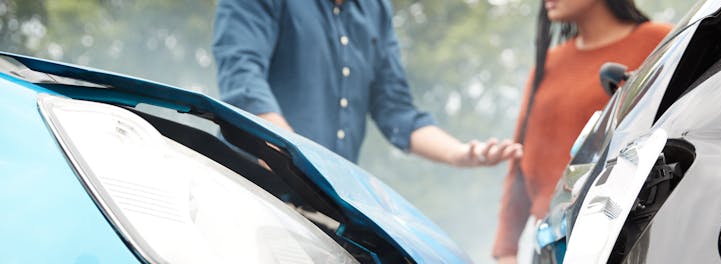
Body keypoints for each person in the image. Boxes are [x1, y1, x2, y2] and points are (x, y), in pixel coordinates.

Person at [492, 0, 672, 264]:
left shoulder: (658, 41)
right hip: (553, 250)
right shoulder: (546, 65)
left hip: (626, 244)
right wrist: (507, 247)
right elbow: (521, 160)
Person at [212, 0, 521, 167]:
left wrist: (459, 153)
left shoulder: (375, 9)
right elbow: (242, 77)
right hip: (250, 187)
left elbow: (395, 109)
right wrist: (293, 158)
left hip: (325, 208)